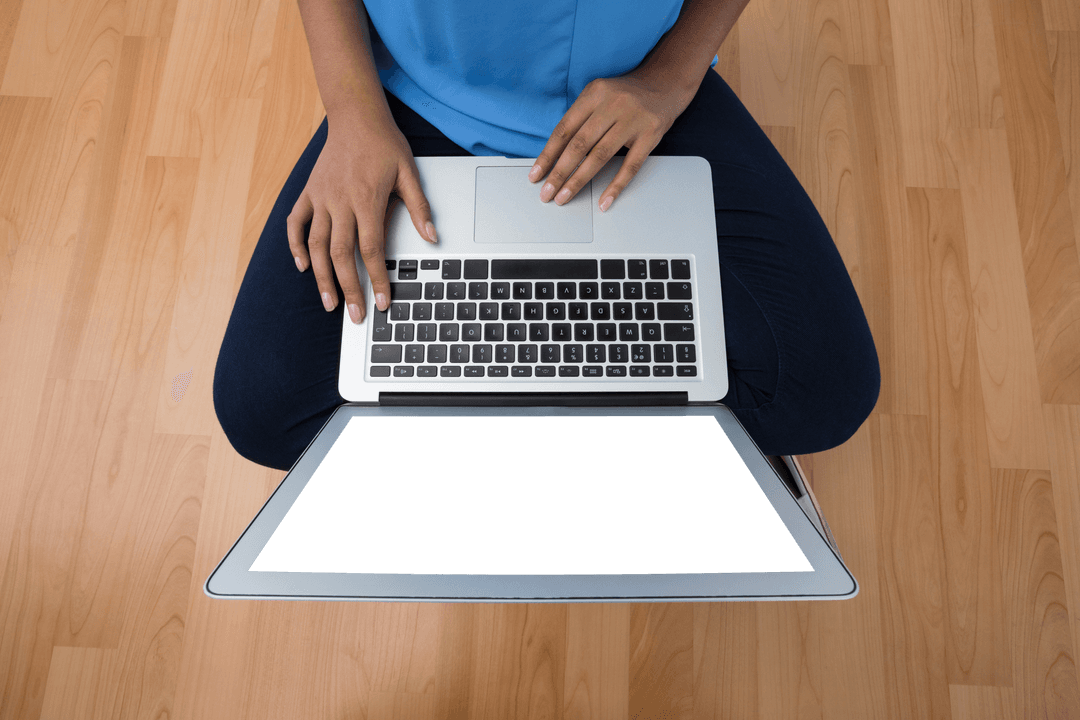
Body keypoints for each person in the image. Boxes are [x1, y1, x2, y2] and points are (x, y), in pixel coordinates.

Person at [213, 0, 881, 472]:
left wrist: (672, 76)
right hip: (415, 96)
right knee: (262, 410)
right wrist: (351, 112)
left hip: (632, 94)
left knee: (826, 394)